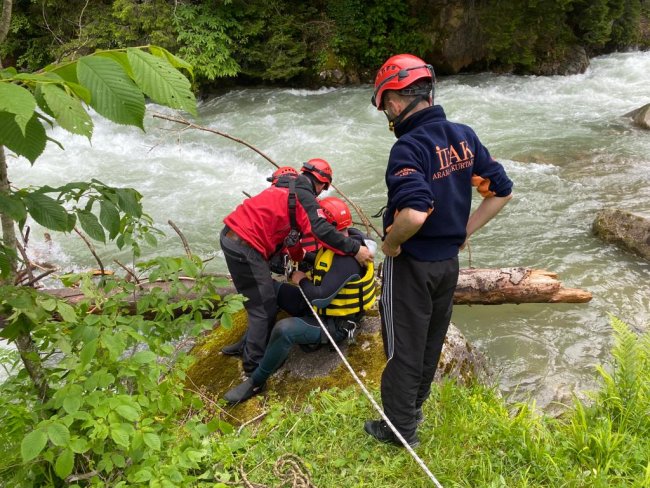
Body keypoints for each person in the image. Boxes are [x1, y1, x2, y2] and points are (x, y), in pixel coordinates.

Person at [364, 54, 514, 447]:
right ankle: (413, 410)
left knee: (402, 348)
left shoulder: (408, 149)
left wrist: (391, 243)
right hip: (448, 266)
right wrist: (464, 230)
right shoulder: (464, 134)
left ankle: (399, 431)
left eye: (386, 108)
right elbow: (502, 191)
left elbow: (413, 213)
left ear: (395, 101)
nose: (388, 116)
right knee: (430, 341)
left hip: (412, 265)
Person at [220, 159, 374, 375]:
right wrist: (355, 250)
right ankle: (253, 364)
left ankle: (247, 344)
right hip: (247, 245)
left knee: (256, 297)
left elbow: (288, 231)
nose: (321, 194)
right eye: (324, 188)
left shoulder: (286, 182)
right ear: (320, 183)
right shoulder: (305, 198)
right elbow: (321, 230)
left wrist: (298, 257)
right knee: (264, 307)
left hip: (231, 235)